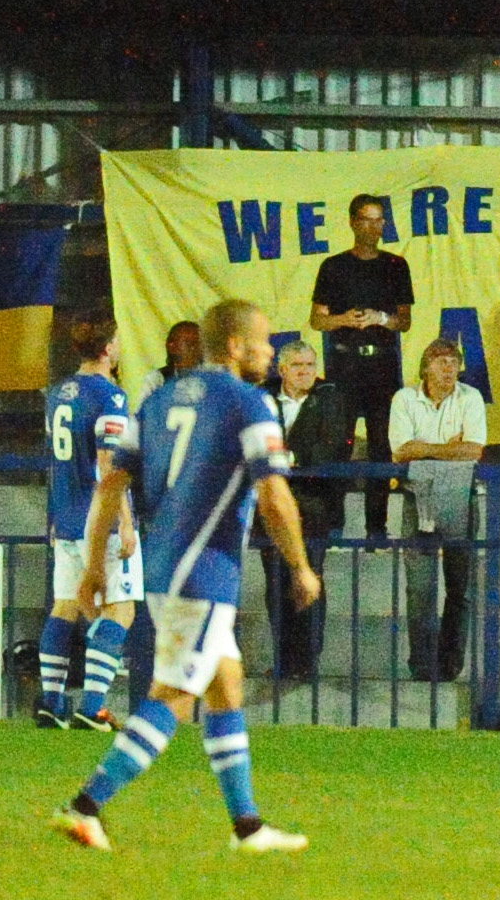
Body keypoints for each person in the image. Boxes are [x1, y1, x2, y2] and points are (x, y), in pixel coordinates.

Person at [51, 299, 318, 855]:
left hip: (164, 562)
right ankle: (84, 806)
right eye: (264, 342)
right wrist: (299, 565)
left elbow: (111, 483)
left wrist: (95, 565)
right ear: (235, 346)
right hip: (205, 570)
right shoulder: (249, 403)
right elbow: (273, 494)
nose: (270, 353)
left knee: (226, 684)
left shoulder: (159, 399)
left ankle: (248, 827)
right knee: (173, 696)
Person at [39, 315, 142, 730]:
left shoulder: (58, 394)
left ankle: (51, 703)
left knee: (65, 605)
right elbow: (108, 462)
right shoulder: (110, 396)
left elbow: (55, 460)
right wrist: (125, 521)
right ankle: (93, 706)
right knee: (121, 609)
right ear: (108, 347)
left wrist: (55, 514)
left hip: (65, 517)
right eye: (117, 340)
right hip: (98, 522)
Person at [311, 193, 414, 540]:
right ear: (353, 222)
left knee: (382, 446)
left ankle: (376, 527)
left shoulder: (396, 265)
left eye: (379, 220)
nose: (374, 227)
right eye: (367, 220)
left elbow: (404, 321)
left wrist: (380, 318)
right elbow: (317, 320)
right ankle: (333, 524)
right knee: (337, 444)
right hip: (344, 365)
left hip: (382, 366)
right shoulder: (333, 266)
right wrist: (344, 319)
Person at [388, 338, 486, 682]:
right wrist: (449, 448)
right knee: (419, 590)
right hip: (417, 497)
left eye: (454, 362)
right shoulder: (404, 398)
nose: (449, 368)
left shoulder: (470, 397)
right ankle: (423, 665)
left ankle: (450, 665)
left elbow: (474, 450)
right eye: (441, 361)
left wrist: (425, 449)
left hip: (461, 495)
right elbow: (401, 451)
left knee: (461, 588)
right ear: (425, 368)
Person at [263, 339, 352, 680]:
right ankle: (284, 660)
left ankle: (308, 661)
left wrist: (292, 458)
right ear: (282, 369)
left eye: (310, 365)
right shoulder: (264, 396)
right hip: (271, 505)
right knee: (276, 582)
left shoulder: (330, 398)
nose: (305, 372)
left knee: (309, 578)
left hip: (315, 506)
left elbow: (333, 446)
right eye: (297, 366)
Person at [135, 320, 201, 406]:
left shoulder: (211, 378)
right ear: (172, 346)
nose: (197, 350)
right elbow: (145, 410)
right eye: (190, 344)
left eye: (201, 345)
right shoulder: (157, 380)